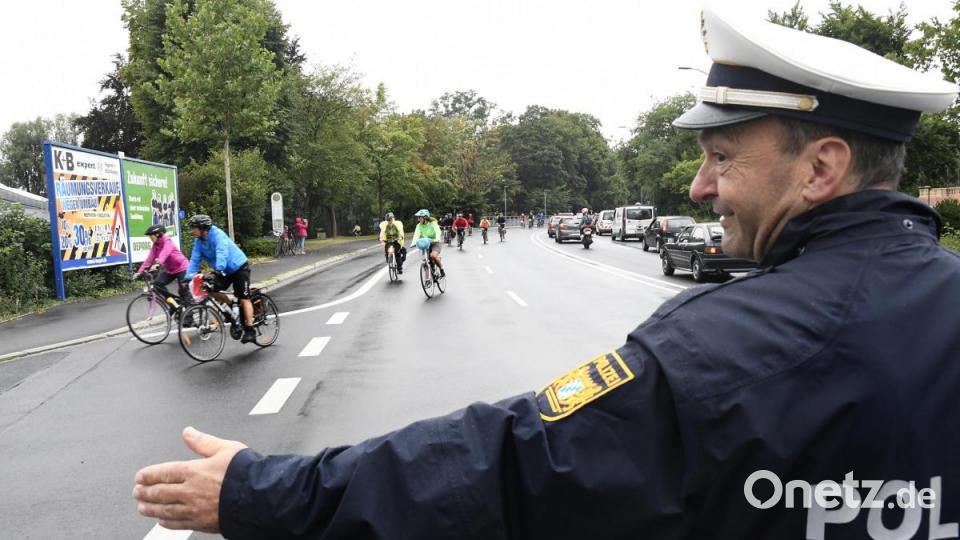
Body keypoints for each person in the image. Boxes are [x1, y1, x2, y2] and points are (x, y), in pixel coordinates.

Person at [134, 7, 960, 538]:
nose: (699, 187)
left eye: (720, 157)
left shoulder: (722, 350)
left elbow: (510, 465)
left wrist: (267, 492)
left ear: (820, 168)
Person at [183, 214, 256, 344]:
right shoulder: (198, 241)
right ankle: (231, 312)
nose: (192, 231)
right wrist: (188, 277)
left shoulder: (217, 235)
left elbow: (222, 252)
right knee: (209, 288)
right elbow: (195, 259)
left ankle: (250, 330)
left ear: (202, 228)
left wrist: (218, 270)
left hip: (238, 267)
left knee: (243, 297)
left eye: (194, 228)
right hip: (223, 271)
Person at [132, 224, 190, 305]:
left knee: (183, 291)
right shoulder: (155, 245)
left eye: (151, 236)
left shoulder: (167, 241)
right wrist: (139, 272)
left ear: (158, 234)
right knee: (157, 284)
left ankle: (189, 311)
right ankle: (173, 302)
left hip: (182, 268)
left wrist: (158, 263)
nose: (150, 238)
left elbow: (164, 253)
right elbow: (149, 260)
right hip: (170, 270)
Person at [409, 209, 444, 277]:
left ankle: (441, 269)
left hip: (435, 242)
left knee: (433, 255)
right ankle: (428, 276)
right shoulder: (418, 225)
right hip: (425, 243)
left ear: (425, 217)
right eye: (418, 217)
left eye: (419, 217)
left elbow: (437, 231)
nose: (418, 219)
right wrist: (413, 243)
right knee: (426, 259)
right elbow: (416, 235)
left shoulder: (433, 223)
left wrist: (437, 239)